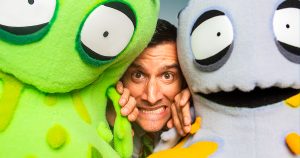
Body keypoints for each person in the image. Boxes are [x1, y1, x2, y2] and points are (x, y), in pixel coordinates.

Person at [107, 19, 192, 158]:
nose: (152, 98)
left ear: (184, 80)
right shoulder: (96, 123)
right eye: (138, 75)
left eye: (167, 76)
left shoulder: (201, 123)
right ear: (120, 78)